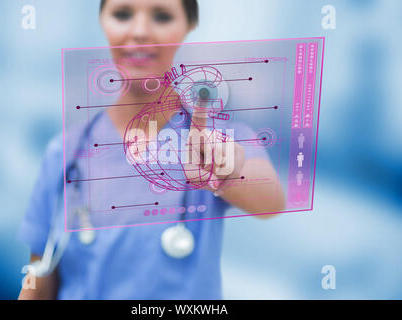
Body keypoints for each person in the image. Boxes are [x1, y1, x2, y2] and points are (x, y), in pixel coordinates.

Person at [18, 0, 285, 300]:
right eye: (122, 14)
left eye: (162, 16)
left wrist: (227, 173)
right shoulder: (64, 153)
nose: (141, 31)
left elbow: (270, 201)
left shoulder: (222, 141)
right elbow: (39, 274)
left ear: (189, 25)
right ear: (102, 21)